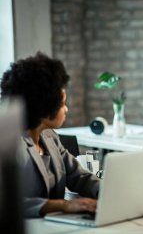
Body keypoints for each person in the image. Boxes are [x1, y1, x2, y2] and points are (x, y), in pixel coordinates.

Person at [0, 52, 100, 218]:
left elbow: (79, 176)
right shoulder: (9, 145)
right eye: (62, 103)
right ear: (44, 106)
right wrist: (62, 205)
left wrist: (108, 191)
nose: (66, 109)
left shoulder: (50, 137)